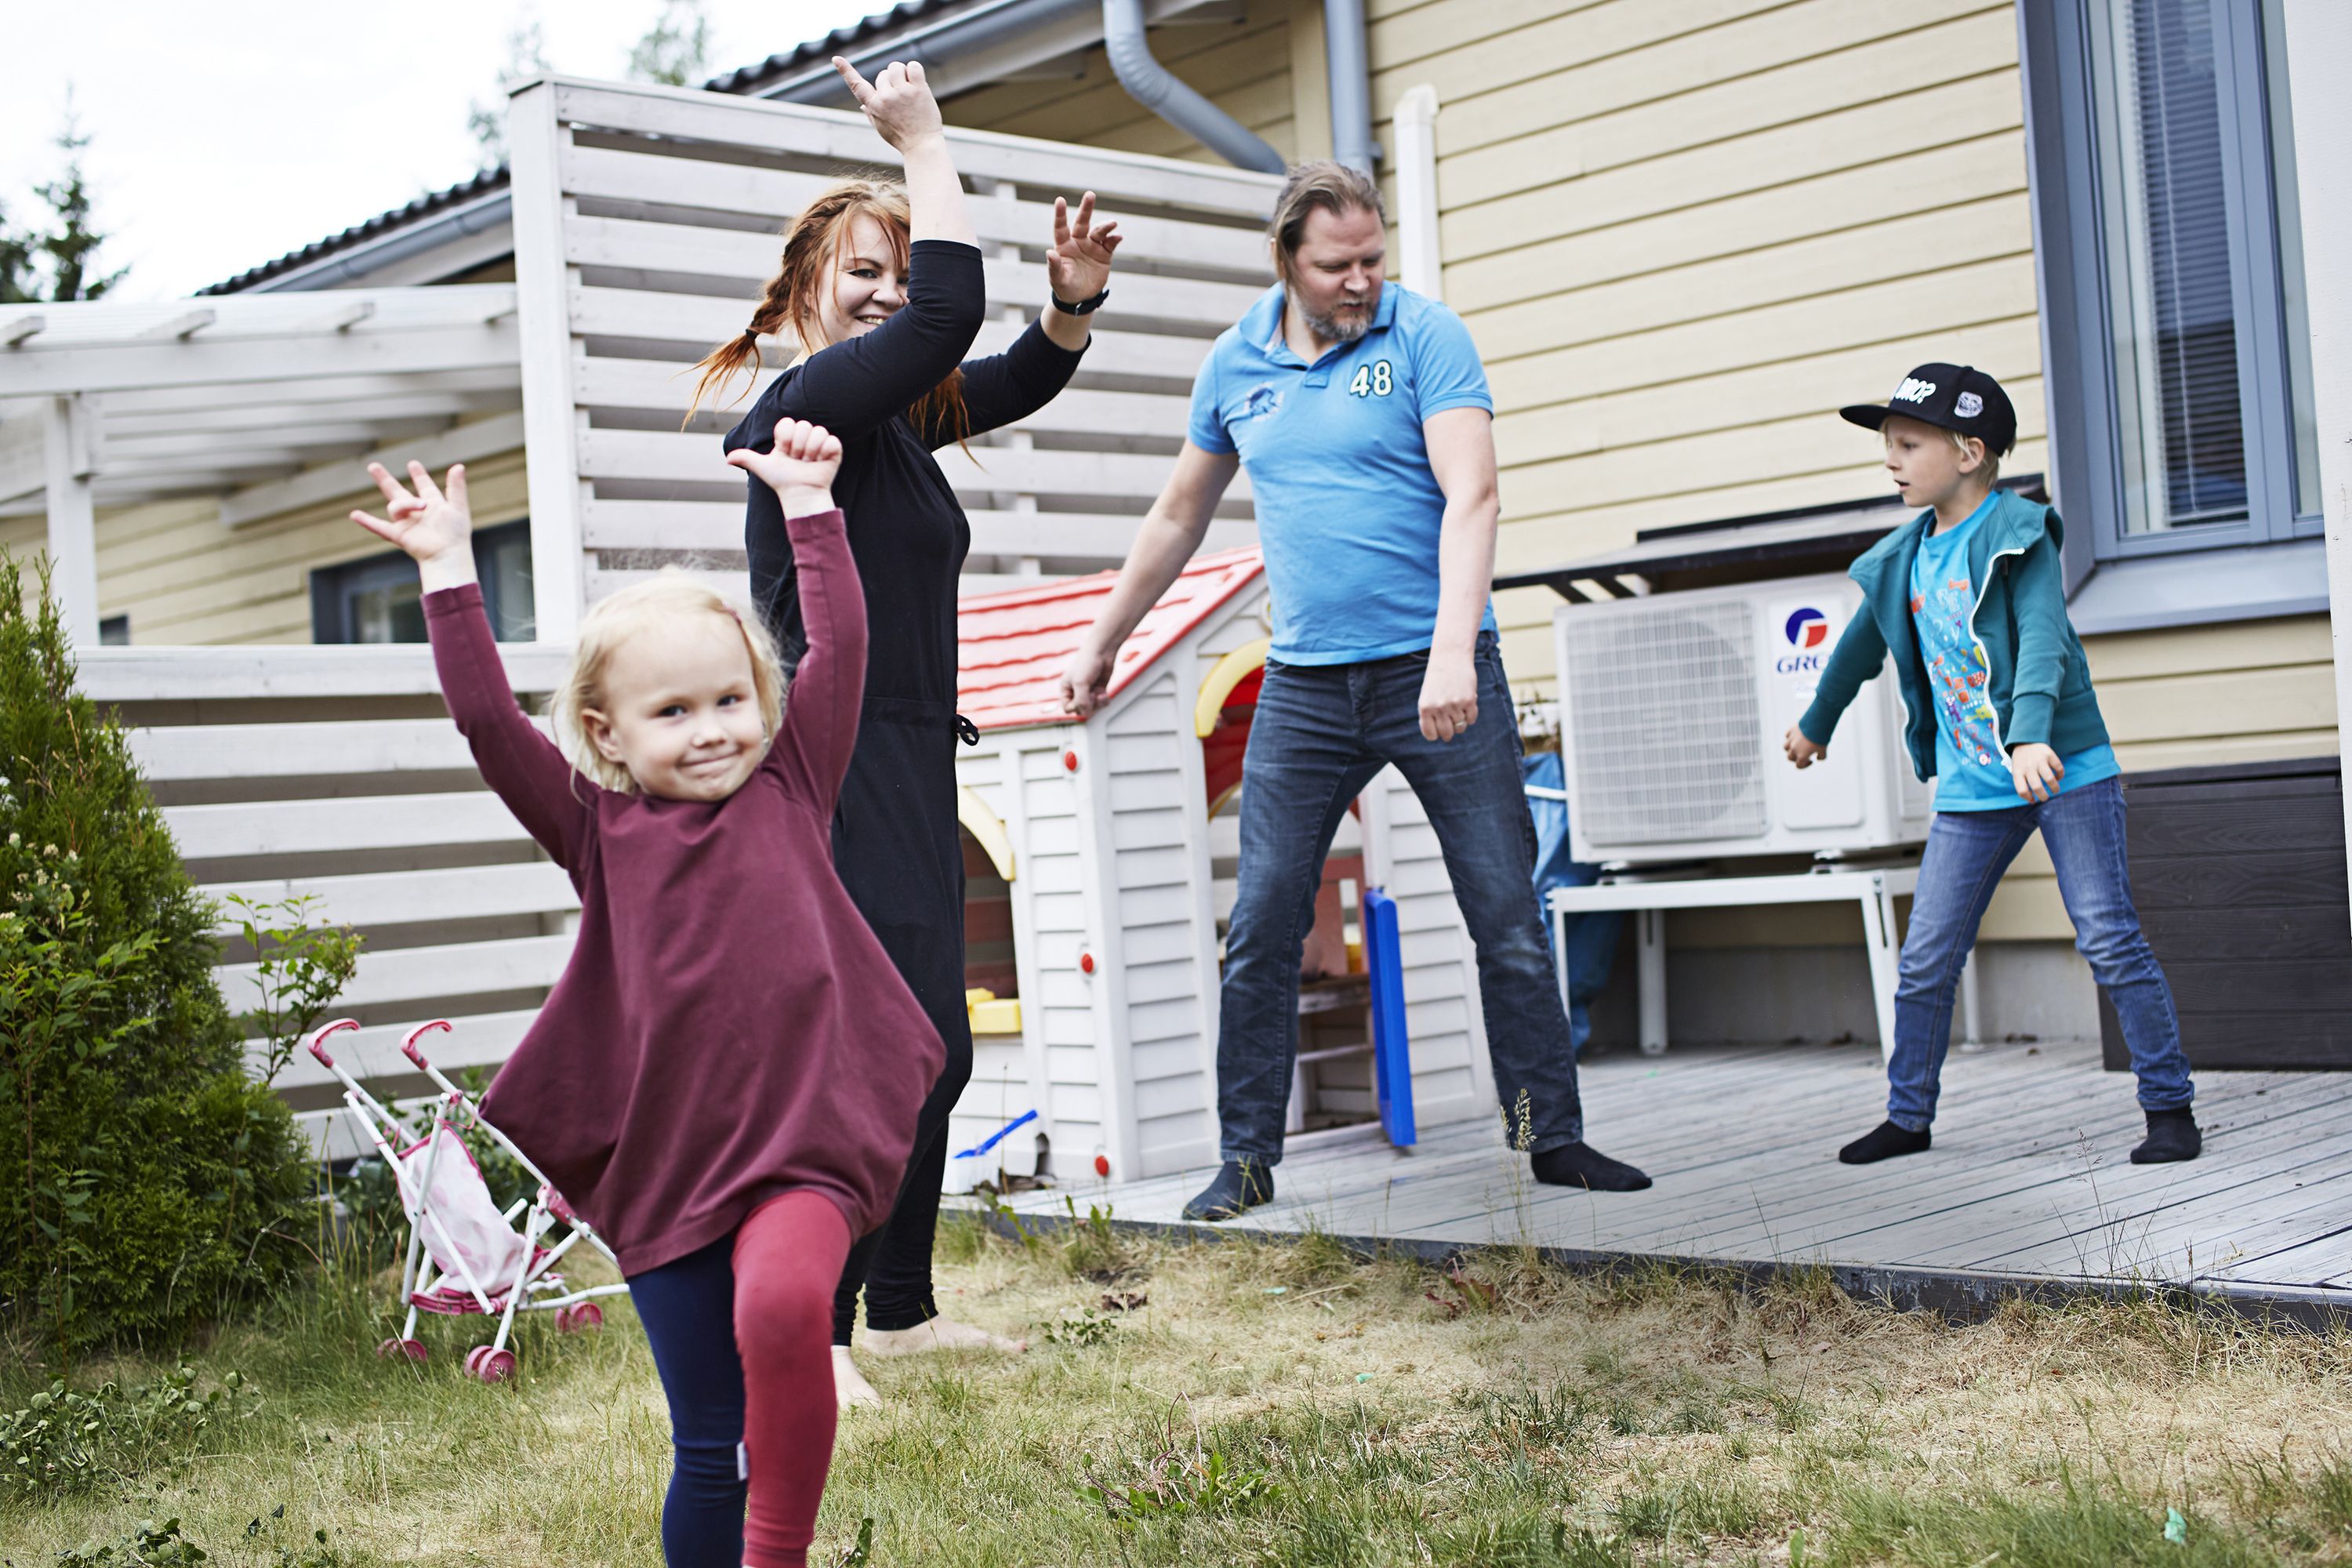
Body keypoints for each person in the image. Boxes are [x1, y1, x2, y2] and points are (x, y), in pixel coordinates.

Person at [347, 420, 941, 1568]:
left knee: (781, 1310)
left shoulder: (794, 779)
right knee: (709, 1442)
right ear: (607, 734)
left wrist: (814, 512)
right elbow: (485, 722)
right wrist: (445, 572)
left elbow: (845, 646)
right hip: (669, 1167)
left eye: (730, 701)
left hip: (803, 1149)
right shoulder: (595, 828)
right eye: (673, 714)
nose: (712, 731)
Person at [1058, 161, 1652, 1221]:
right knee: (1264, 919)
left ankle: (1552, 1138)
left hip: (1439, 673)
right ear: (1288, 257)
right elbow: (1177, 518)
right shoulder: (1237, 364)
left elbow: (1474, 495)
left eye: (1373, 258)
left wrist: (1449, 654)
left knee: (1506, 912)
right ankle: (1245, 1159)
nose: (1361, 280)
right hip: (1305, 686)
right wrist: (1104, 641)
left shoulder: (1426, 337)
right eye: (1338, 265)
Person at [688, 58, 1122, 1407]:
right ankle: (804, 1342)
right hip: (828, 758)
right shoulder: (804, 414)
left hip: (911, 751)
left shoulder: (894, 431)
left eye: (893, 268)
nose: (884, 291)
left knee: (935, 1041)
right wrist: (924, 141)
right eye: (860, 270)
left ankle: (904, 1310)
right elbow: (945, 319)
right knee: (876, 1045)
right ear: (807, 286)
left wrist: (1072, 301)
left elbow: (1016, 373)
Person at [1784, 362, 2200, 1167]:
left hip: (2063, 765)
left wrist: (2033, 733)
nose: (1891, 459)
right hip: (1975, 787)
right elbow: (1858, 648)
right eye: (1888, 445)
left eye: (1908, 443)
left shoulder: (2020, 531)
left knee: (2108, 937)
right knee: (1927, 956)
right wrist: (1815, 723)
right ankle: (1908, 1115)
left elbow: (2043, 637)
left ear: (1970, 451)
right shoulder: (1904, 557)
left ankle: (2170, 1106)